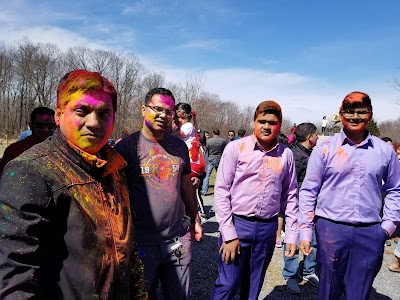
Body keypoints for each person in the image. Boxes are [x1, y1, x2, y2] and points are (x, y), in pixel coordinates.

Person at [0, 69, 144, 299]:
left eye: (104, 113)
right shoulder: (31, 170)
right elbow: (16, 274)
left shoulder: (114, 167)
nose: (94, 123)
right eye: (82, 111)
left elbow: (126, 248)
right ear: (59, 115)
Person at [299, 91, 400, 300]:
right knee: (328, 291)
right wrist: (306, 230)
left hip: (371, 231)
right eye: (349, 111)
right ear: (341, 113)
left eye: (361, 112)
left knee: (359, 293)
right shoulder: (325, 149)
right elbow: (309, 190)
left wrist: (388, 227)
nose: (355, 116)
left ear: (370, 115)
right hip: (331, 228)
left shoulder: (385, 151)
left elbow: (395, 189)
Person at [114, 88, 203, 300]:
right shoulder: (125, 148)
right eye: (157, 109)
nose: (163, 115)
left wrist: (194, 218)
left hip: (177, 240)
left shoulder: (179, 147)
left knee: (180, 295)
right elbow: (115, 197)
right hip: (140, 243)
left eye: (169, 112)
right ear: (144, 109)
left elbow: (186, 187)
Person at [211, 100, 299, 300]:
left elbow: (291, 195)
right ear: (254, 122)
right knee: (228, 283)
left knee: (253, 285)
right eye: (262, 121)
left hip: (267, 228)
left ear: (280, 124)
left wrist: (292, 234)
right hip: (238, 225)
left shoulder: (286, 155)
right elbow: (222, 190)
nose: (267, 126)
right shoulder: (236, 148)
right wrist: (229, 233)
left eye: (272, 122)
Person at [283, 122, 319, 294]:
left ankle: (309, 270)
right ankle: (290, 275)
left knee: (313, 240)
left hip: (312, 206)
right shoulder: (295, 155)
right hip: (297, 206)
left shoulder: (311, 154)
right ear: (310, 137)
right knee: (294, 240)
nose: (318, 138)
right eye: (316, 135)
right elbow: (290, 184)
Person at [0, 106, 56, 176]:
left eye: (50, 126)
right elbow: (6, 178)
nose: (46, 130)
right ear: (31, 126)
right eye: (40, 125)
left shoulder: (61, 150)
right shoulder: (15, 150)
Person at [201, 128, 228, 196]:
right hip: (219, 159)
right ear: (219, 133)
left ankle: (204, 191)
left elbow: (206, 150)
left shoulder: (209, 141)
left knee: (207, 176)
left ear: (213, 133)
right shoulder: (223, 141)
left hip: (211, 159)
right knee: (220, 176)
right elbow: (226, 149)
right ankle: (222, 191)